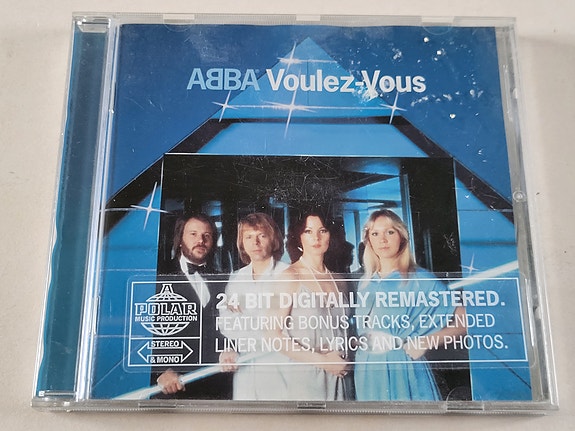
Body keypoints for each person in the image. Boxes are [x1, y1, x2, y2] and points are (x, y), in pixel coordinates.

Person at [354, 209, 466, 401]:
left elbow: (465, 320)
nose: (383, 240)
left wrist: (427, 341)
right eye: (375, 234)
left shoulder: (419, 279)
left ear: (402, 236)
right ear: (368, 241)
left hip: (402, 366)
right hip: (367, 368)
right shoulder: (365, 282)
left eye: (390, 232)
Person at [266, 212, 351, 401]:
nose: (316, 238)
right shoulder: (289, 276)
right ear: (299, 237)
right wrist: (324, 362)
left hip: (343, 374)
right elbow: (272, 335)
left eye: (323, 230)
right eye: (308, 231)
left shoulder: (340, 280)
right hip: (308, 375)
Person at [152, 213, 232, 399]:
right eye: (193, 234)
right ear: (180, 239)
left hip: (218, 386)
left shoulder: (224, 279)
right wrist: (160, 371)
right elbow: (141, 330)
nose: (200, 241)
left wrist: (231, 348)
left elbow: (233, 325)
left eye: (207, 235)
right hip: (174, 387)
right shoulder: (158, 275)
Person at [218, 213, 289, 400]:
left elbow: (290, 327)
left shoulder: (287, 274)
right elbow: (227, 324)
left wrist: (246, 320)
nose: (255, 243)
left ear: (273, 239)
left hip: (282, 368)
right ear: (242, 242)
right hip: (245, 370)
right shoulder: (236, 278)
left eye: (261, 236)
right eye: (248, 237)